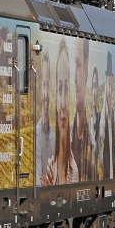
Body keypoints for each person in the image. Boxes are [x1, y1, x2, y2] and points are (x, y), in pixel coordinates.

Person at [45, 41, 78, 185]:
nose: (63, 105)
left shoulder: (75, 171)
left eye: (66, 89)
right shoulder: (48, 169)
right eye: (59, 89)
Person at [70, 39, 94, 181]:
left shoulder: (95, 139)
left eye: (78, 64)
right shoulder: (65, 136)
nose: (74, 78)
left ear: (85, 69)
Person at [97, 52, 115, 179]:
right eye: (107, 85)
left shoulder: (113, 114)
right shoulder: (101, 114)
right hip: (104, 166)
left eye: (111, 85)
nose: (109, 90)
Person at [35, 52, 55, 185]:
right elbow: (38, 176)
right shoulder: (37, 132)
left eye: (48, 85)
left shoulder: (55, 133)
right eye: (43, 85)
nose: (46, 93)